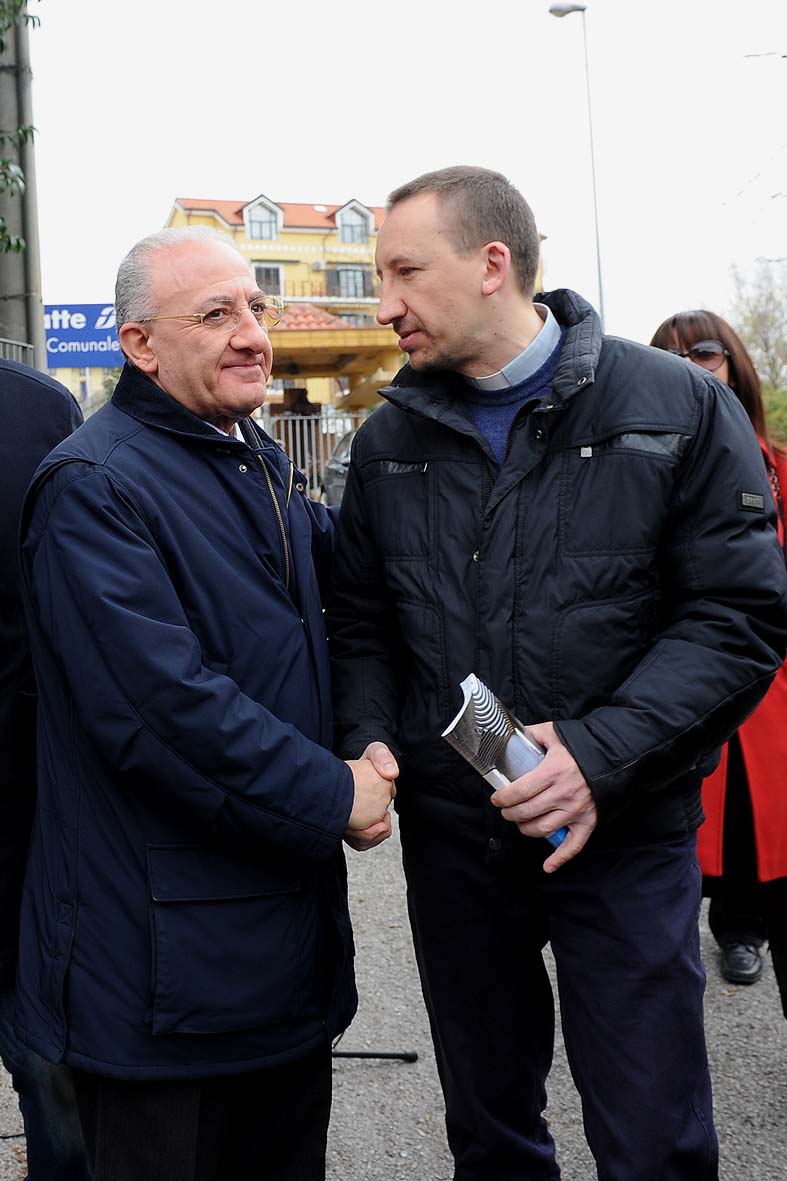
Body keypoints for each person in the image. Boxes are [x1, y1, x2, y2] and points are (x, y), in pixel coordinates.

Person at [327, 166, 787, 1181]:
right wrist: (367, 732)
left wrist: (594, 749)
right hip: (457, 844)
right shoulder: (389, 438)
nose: (385, 301)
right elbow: (361, 622)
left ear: (493, 264)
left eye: (404, 269)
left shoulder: (673, 406)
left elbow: (738, 615)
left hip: (625, 830)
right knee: (488, 1132)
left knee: (652, 1132)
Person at [14, 226, 396, 1181]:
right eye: (216, 313)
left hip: (272, 970)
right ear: (140, 345)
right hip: (156, 983)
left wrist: (370, 742)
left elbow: (336, 618)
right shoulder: (94, 485)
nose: (251, 334)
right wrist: (333, 792)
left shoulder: (253, 457)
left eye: (256, 308)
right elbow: (161, 712)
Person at [651, 309, 787, 1007]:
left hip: (775, 695)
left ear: (733, 363)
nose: (688, 365)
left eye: (702, 352)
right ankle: (729, 927)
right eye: (668, 355)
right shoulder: (638, 479)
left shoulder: (780, 471)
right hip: (671, 694)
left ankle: (747, 925)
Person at [0, 358, 90, 1180]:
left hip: (26, 814)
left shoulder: (36, 411)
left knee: (51, 1066)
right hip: (27, 819)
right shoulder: (38, 408)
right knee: (51, 1066)